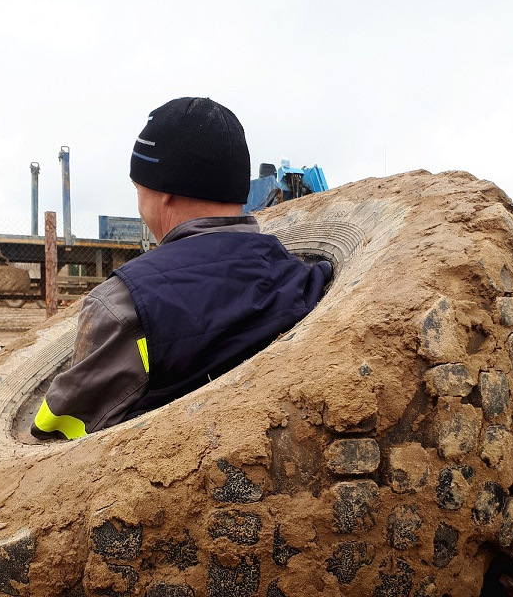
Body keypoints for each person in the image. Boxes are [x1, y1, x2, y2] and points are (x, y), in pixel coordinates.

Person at [31, 96, 332, 441]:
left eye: (139, 189)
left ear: (165, 194)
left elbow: (57, 430)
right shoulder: (305, 276)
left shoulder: (121, 303)